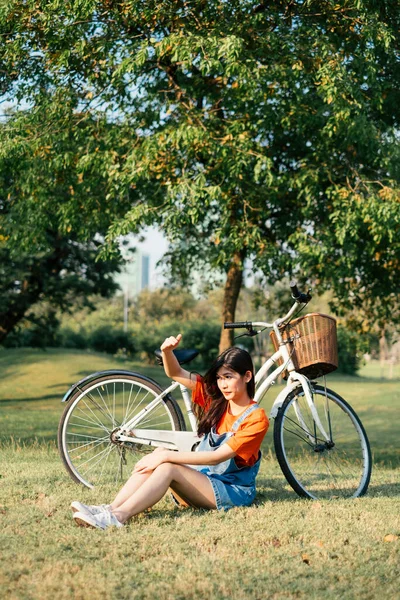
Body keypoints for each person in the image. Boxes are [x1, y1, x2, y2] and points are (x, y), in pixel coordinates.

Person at [71, 334, 269, 529]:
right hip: (205, 481)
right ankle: (110, 508)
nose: (223, 384)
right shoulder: (217, 401)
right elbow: (176, 373)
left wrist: (167, 456)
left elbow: (217, 457)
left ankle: (118, 517)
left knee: (167, 465)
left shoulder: (256, 418)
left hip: (232, 492)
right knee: (159, 455)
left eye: (229, 377)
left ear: (247, 376)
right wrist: (167, 352)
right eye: (219, 378)